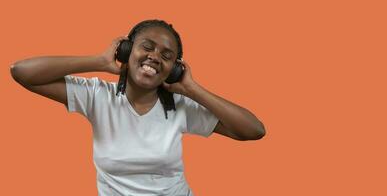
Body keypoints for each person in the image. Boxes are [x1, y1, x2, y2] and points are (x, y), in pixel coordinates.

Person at [10, 19, 266, 196]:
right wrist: (99, 61)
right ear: (125, 51)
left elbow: (253, 130)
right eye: (147, 46)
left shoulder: (180, 106)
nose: (155, 56)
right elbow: (21, 72)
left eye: (167, 56)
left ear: (174, 69)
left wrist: (192, 89)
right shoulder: (98, 95)